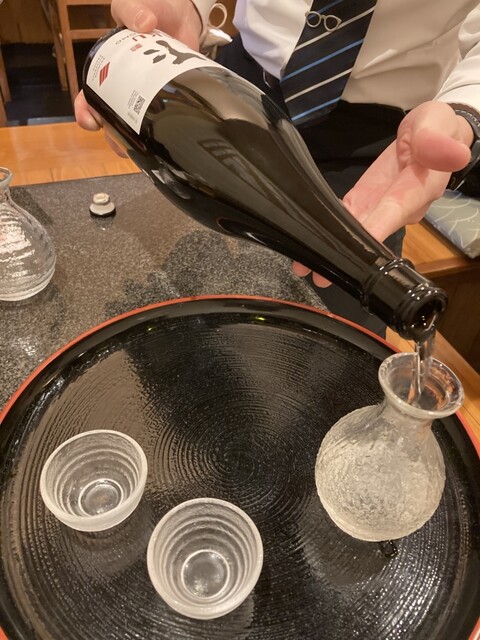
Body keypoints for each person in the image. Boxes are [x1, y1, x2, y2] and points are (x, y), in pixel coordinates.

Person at [75, 0, 480, 336]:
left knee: (342, 346)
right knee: (202, 315)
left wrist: (466, 111)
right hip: (231, 97)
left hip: (381, 153)